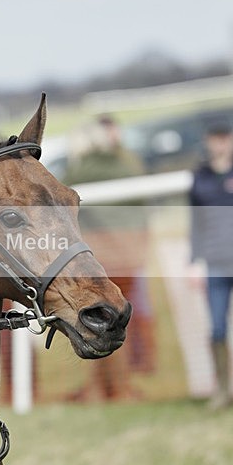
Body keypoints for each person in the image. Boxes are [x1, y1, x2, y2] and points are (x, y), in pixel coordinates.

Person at [63, 115, 155, 400]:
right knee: (118, 323)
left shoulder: (81, 172)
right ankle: (112, 386)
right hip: (131, 258)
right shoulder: (128, 166)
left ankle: (111, 388)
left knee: (100, 324)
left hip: (102, 262)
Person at [189, 122, 233, 408]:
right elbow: (196, 223)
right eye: (215, 139)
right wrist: (193, 261)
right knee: (217, 328)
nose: (220, 144)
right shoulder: (200, 177)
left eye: (224, 138)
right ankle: (222, 389)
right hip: (216, 264)